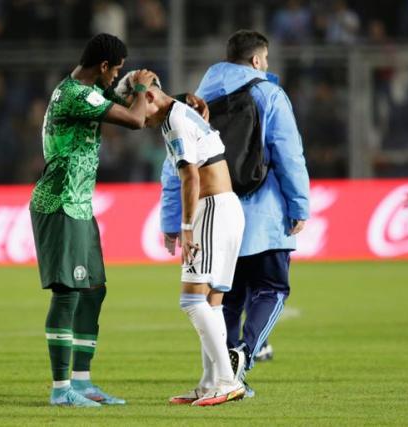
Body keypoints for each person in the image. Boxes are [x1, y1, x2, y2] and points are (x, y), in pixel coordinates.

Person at [161, 30, 310, 395]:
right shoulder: (270, 95)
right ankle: (242, 354)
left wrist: (170, 221)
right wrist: (299, 205)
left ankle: (222, 379)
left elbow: (174, 168)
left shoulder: (197, 100)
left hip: (211, 216)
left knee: (224, 299)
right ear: (258, 60)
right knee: (272, 289)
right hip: (264, 216)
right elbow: (289, 156)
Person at [30, 33, 157, 407]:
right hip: (58, 203)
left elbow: (142, 112)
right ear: (103, 67)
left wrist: (173, 100)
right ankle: (60, 390)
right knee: (67, 292)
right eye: (114, 69)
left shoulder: (83, 91)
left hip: (79, 204)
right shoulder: (76, 94)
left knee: (93, 290)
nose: (115, 75)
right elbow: (135, 121)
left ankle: (82, 382)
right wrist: (141, 86)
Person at [137, 75, 246, 406]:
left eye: (139, 110)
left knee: (192, 301)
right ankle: (210, 382)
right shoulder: (179, 113)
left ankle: (227, 379)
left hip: (211, 209)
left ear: (152, 96)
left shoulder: (173, 121)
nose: (138, 121)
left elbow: (190, 175)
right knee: (211, 301)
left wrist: (185, 227)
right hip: (224, 207)